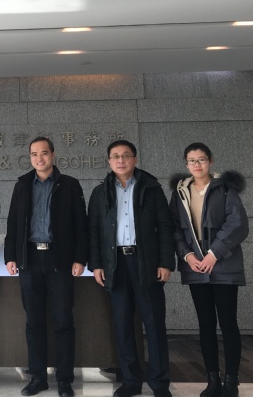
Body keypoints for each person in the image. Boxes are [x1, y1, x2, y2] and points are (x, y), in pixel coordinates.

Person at [87, 140, 174, 397]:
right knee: (123, 326)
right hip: (116, 264)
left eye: (126, 155)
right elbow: (94, 231)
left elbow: (165, 226)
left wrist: (166, 262)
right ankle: (130, 381)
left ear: (135, 159)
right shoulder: (100, 193)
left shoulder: (152, 188)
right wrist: (96, 264)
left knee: (154, 325)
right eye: (116, 156)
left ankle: (160, 384)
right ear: (109, 161)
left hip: (146, 263)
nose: (121, 160)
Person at [4, 137, 88, 397]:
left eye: (43, 153)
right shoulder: (22, 185)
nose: (39, 158)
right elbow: (13, 223)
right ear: (30, 157)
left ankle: (64, 380)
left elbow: (81, 224)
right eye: (34, 154)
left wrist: (80, 258)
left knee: (63, 321)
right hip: (30, 260)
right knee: (34, 322)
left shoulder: (69, 185)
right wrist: (11, 256)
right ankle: (38, 377)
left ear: (53, 154)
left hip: (59, 260)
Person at [169, 143, 248, 397]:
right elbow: (174, 229)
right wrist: (187, 255)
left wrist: (214, 254)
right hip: (196, 268)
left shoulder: (225, 188)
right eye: (192, 160)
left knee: (228, 323)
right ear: (186, 164)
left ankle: (231, 382)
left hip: (223, 265)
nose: (197, 165)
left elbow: (237, 224)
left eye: (201, 159)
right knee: (205, 325)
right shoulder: (180, 192)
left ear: (210, 161)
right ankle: (212, 380)